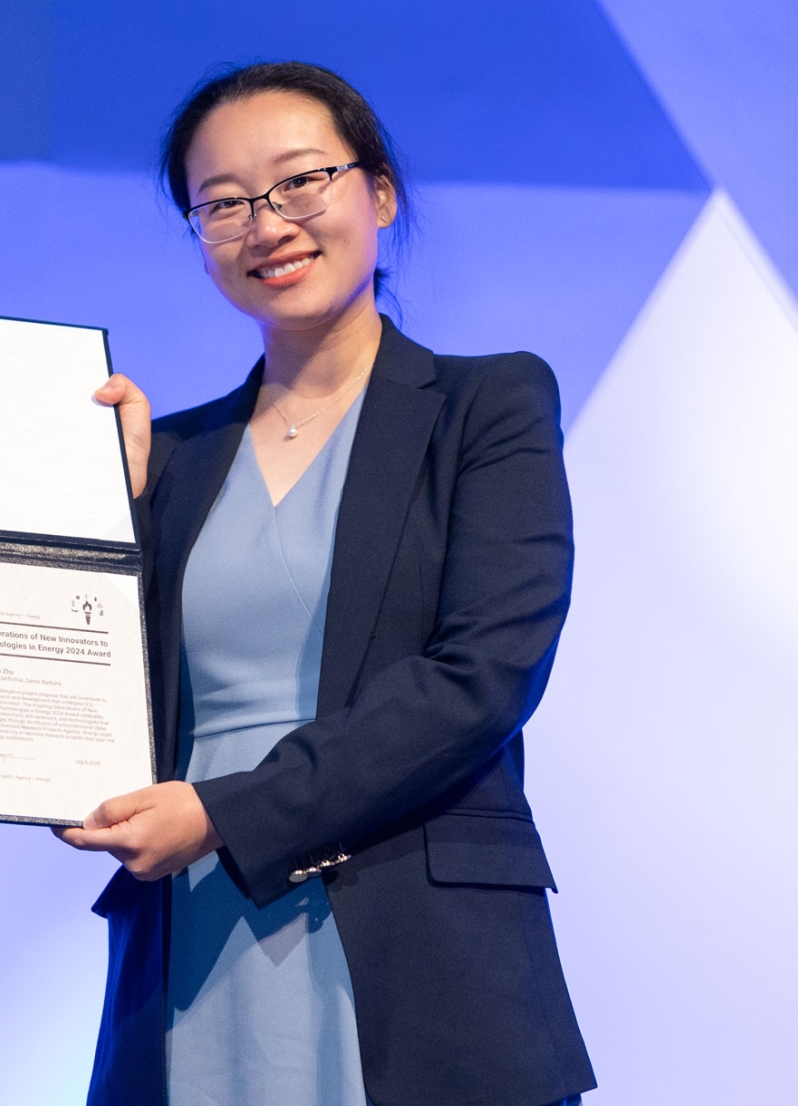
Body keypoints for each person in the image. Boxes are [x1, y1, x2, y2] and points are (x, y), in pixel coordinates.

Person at [58, 62, 596, 1106]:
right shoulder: (167, 456)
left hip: (415, 948)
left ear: (380, 194)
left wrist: (224, 810)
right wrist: (109, 518)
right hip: (198, 939)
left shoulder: (486, 406)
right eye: (222, 204)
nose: (266, 224)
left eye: (300, 181)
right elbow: (90, 691)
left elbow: (481, 678)